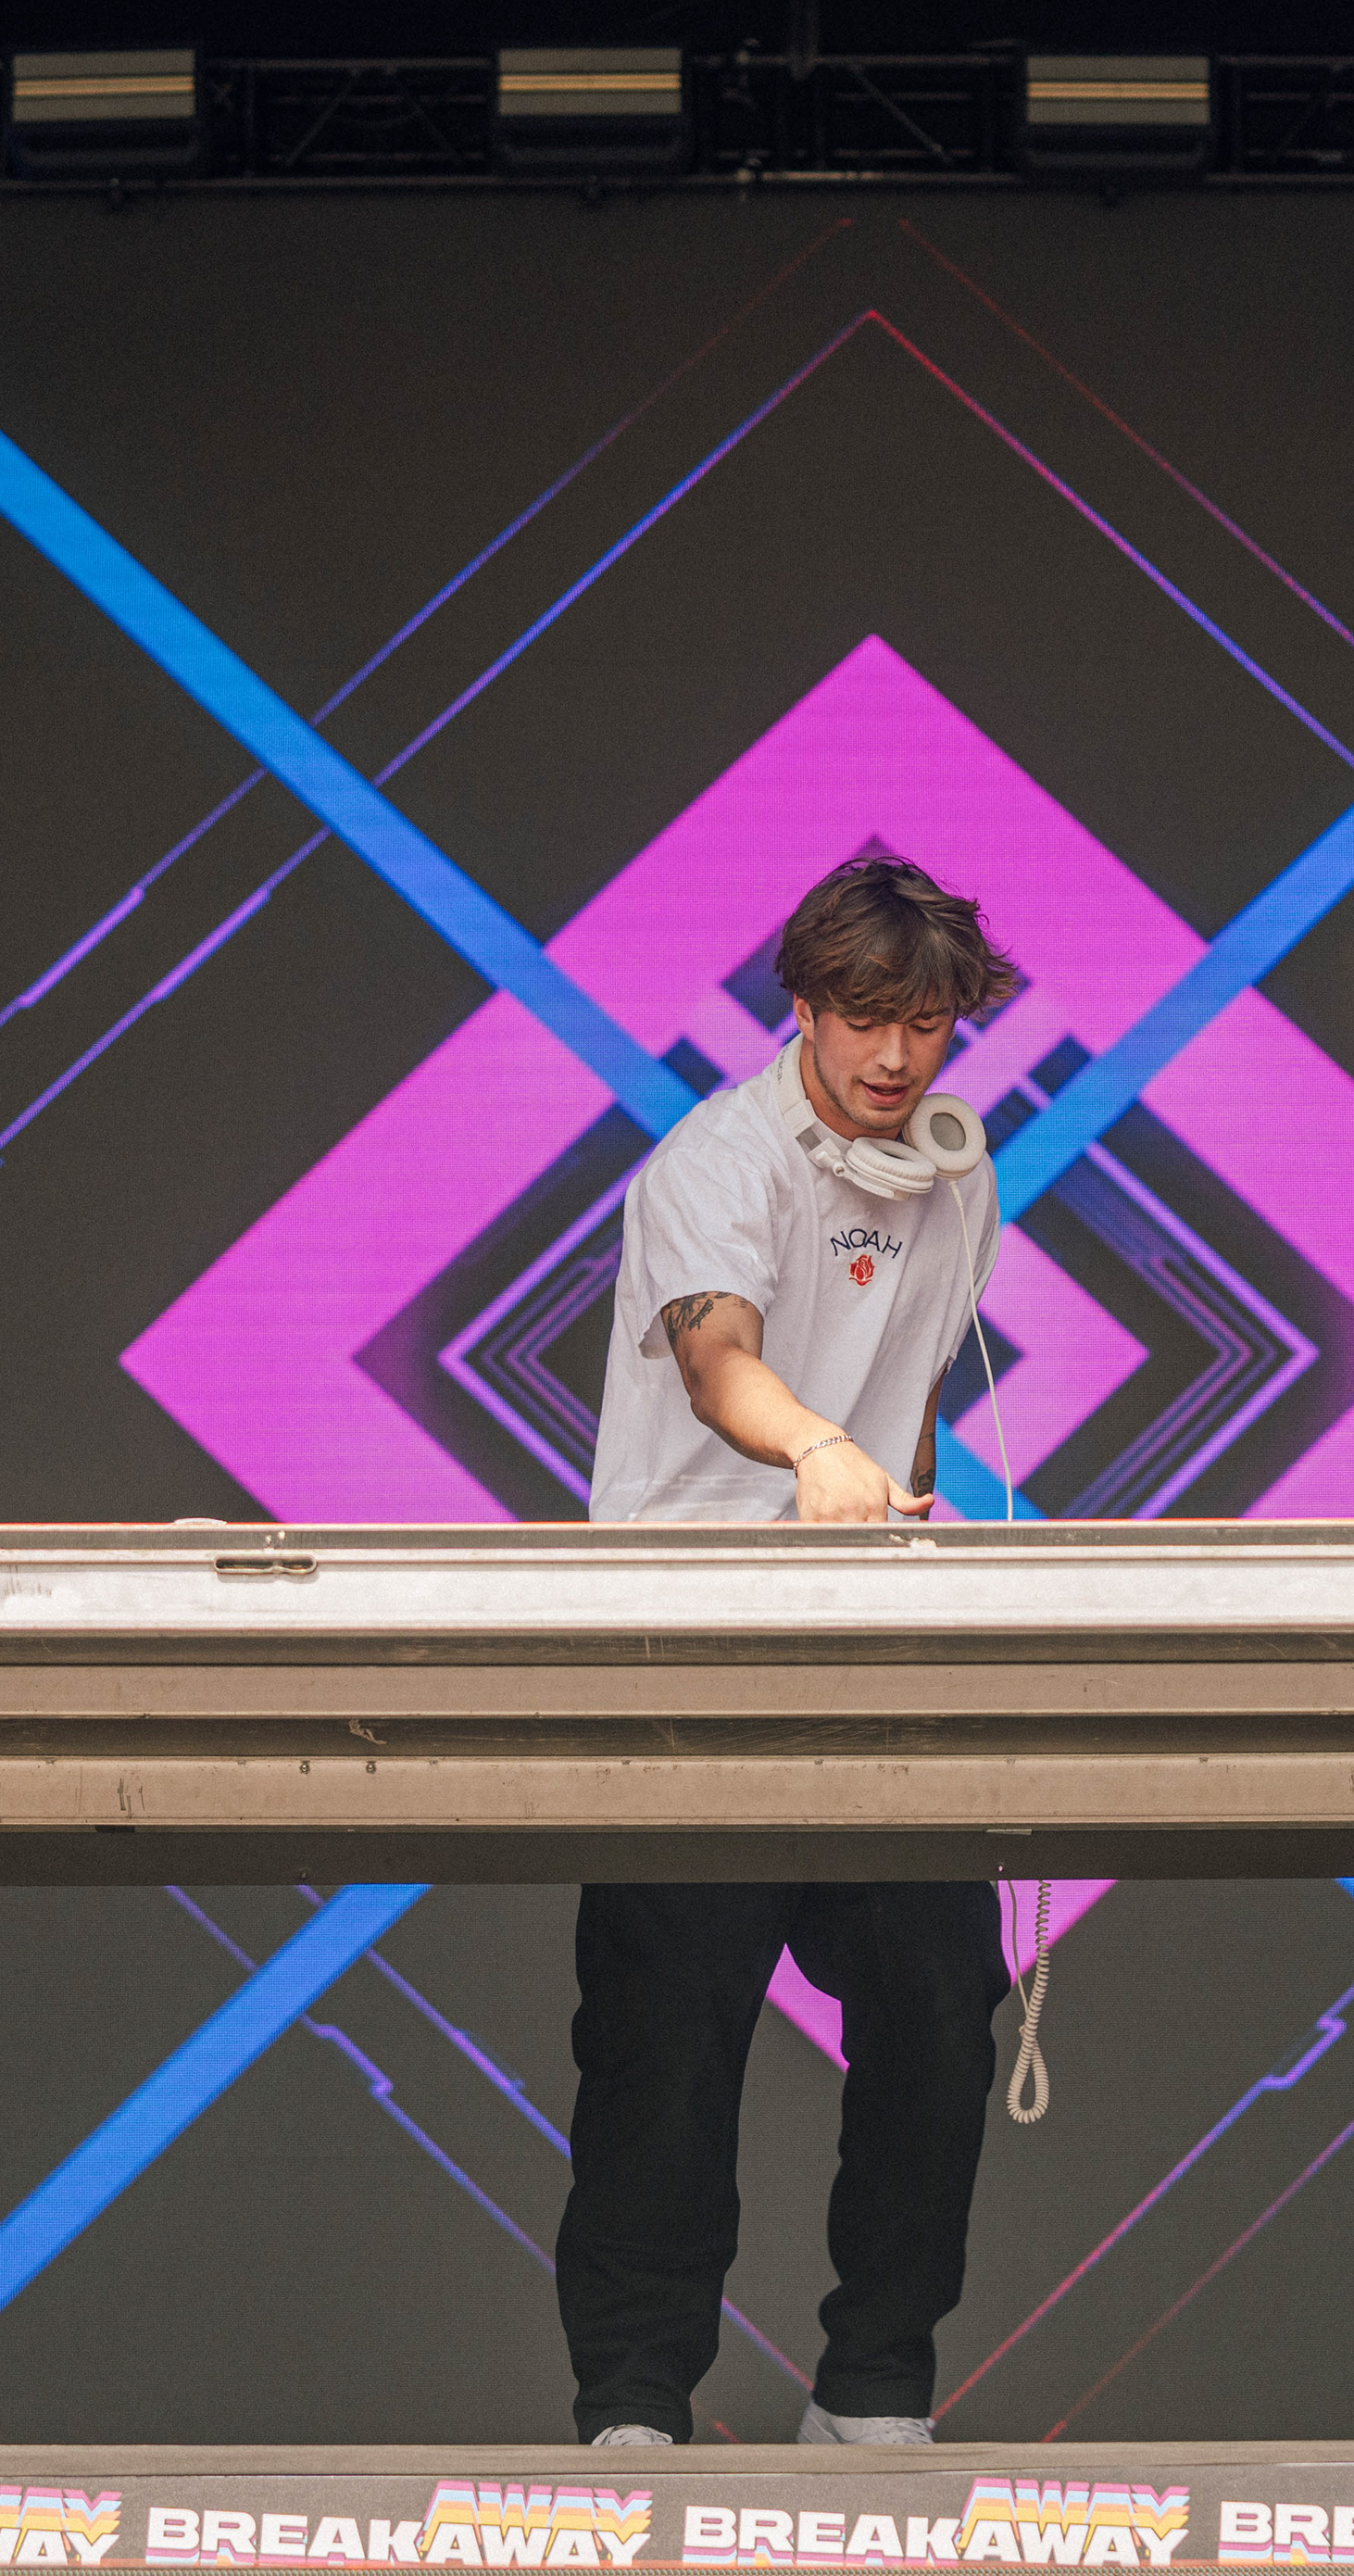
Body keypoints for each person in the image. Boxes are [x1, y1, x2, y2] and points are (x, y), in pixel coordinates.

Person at [557, 852, 1021, 2449]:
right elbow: (718, 1363)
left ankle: (877, 2389)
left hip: (871, 1663)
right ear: (806, 1008)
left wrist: (906, 1521)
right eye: (867, 1018)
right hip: (688, 1662)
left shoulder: (958, 1181)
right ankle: (634, 2407)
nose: (897, 1056)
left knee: (942, 2007)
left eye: (929, 1026)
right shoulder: (718, 1161)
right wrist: (817, 1449)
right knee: (667, 2040)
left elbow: (912, 1396)